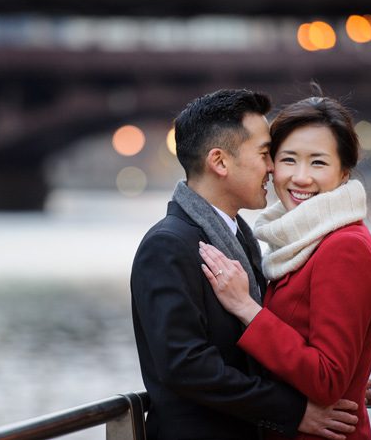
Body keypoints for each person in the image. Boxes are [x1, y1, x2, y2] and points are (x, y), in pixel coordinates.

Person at [131, 89, 359, 440]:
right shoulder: (168, 245)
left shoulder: (242, 236)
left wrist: (329, 381)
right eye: (266, 154)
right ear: (220, 162)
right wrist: (294, 410)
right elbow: (187, 367)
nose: (273, 167)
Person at [198, 93, 371, 440]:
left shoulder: (344, 248)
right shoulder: (296, 243)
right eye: (288, 160)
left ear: (343, 172)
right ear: (272, 166)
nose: (300, 178)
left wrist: (246, 308)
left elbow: (328, 379)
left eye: (318, 163)